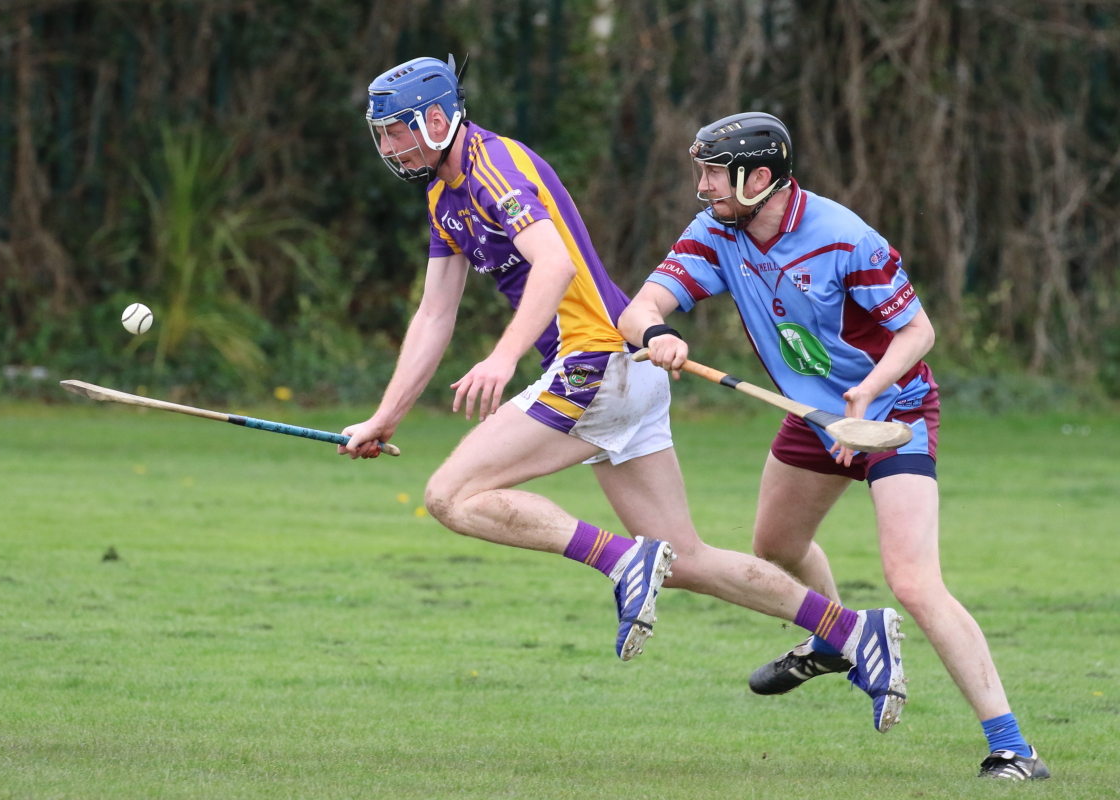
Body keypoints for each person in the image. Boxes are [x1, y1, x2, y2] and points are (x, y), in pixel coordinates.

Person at [341, 56, 906, 731]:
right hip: (627, 371)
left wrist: (502, 356)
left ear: (437, 119)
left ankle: (621, 560)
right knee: (686, 559)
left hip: (594, 363)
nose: (389, 147)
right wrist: (384, 417)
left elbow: (552, 264)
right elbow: (434, 315)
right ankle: (852, 632)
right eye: (382, 135)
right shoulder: (444, 196)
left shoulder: (496, 169)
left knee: (451, 496)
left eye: (398, 131)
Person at [618, 112, 1049, 780]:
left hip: (894, 412)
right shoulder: (715, 232)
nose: (702, 187)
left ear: (760, 177)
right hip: (810, 415)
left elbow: (918, 333)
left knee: (912, 580)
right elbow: (638, 307)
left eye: (714, 173)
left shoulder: (844, 238)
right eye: (699, 172)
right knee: (776, 546)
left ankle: (1013, 747)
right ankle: (838, 640)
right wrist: (656, 335)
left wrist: (865, 395)